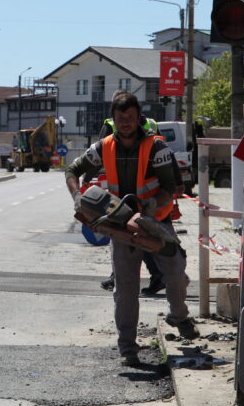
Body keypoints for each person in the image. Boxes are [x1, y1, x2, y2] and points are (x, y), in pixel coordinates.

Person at [66, 90, 199, 367]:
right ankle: (127, 348)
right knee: (125, 289)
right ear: (114, 119)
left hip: (155, 223)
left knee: (175, 273)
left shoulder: (157, 148)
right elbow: (71, 171)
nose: (126, 122)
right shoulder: (103, 147)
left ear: (139, 118)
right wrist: (78, 198)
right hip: (119, 227)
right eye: (120, 118)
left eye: (130, 117)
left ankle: (179, 316)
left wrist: (149, 210)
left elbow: (172, 187)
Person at [95, 115, 181, 296]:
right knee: (145, 237)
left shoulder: (111, 125)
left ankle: (158, 276)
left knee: (131, 236)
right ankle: (161, 276)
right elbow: (167, 154)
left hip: (132, 197)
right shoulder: (153, 124)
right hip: (153, 196)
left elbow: (100, 155)